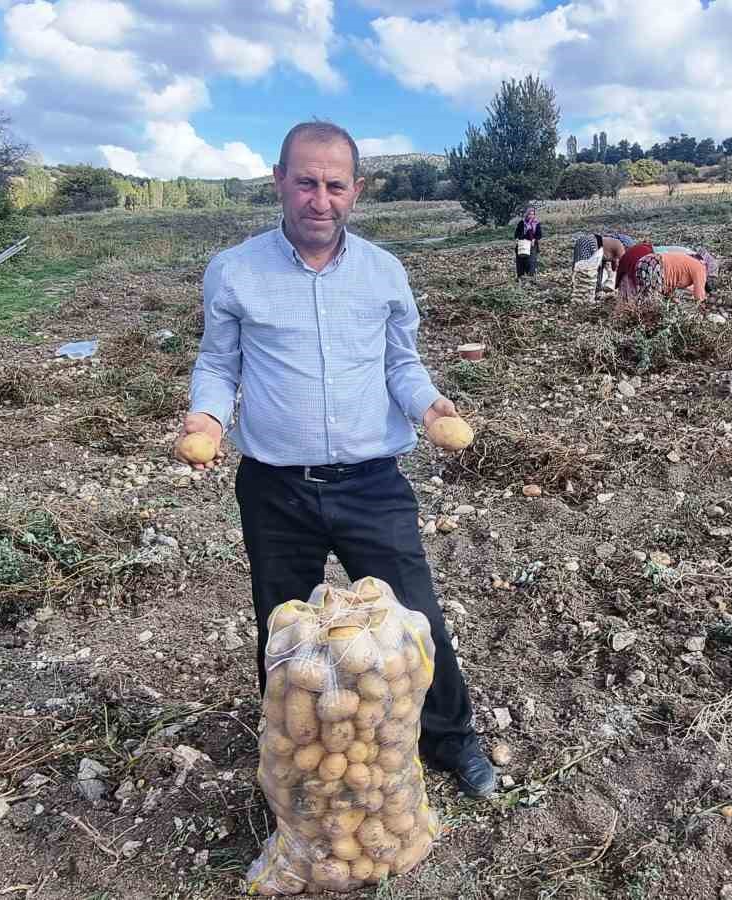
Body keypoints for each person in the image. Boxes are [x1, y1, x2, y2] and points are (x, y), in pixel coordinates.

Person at [174, 120, 498, 798]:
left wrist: (432, 407)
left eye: (334, 185)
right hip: (274, 489)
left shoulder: (384, 273)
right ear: (279, 182)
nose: (319, 200)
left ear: (357, 191)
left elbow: (400, 363)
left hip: (372, 484)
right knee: (284, 629)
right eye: (305, 183)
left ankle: (452, 740)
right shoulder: (234, 271)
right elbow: (217, 361)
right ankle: (295, 758)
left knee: (415, 620)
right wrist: (206, 413)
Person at [513, 204, 542, 277]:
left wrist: (534, 239)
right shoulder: (522, 223)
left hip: (532, 245)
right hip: (522, 244)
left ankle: (530, 277)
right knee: (520, 261)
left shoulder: (536, 223)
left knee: (531, 262)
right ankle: (521, 277)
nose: (531, 216)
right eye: (529, 214)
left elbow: (539, 235)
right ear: (527, 214)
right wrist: (517, 239)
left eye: (533, 214)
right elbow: (516, 233)